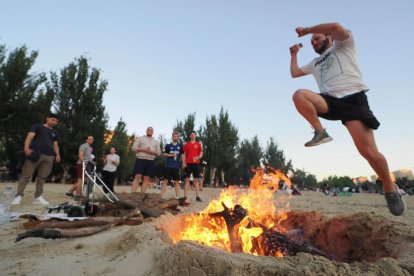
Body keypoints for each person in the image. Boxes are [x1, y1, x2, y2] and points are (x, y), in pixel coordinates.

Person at [289, 22, 405, 216]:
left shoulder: (343, 45)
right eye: (312, 41)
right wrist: (293, 56)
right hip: (330, 101)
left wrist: (307, 30)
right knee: (299, 95)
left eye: (317, 38)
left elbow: (336, 26)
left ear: (329, 37)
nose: (314, 42)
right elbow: (295, 73)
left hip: (353, 100)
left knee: (368, 152)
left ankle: (389, 186)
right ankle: (320, 132)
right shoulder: (314, 63)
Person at [12, 113, 61, 206]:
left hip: (49, 156)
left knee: (42, 177)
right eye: (53, 120)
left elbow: (55, 144)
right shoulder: (37, 126)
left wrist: (57, 154)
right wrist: (26, 148)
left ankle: (38, 196)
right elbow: (29, 137)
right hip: (35, 153)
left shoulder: (55, 132)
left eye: (56, 121)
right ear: (47, 118)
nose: (54, 122)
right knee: (26, 175)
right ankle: (18, 196)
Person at [131, 127, 161, 193]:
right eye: (148, 130)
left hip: (150, 160)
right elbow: (133, 148)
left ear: (153, 132)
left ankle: (142, 195)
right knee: (137, 176)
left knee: (146, 178)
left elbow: (159, 153)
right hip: (140, 159)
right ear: (146, 131)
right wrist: (143, 149)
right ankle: (132, 194)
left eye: (151, 130)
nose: (150, 131)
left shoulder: (156, 141)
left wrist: (152, 152)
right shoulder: (140, 138)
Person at [65, 136, 94, 200]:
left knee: (85, 178)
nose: (91, 140)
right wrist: (83, 163)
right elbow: (80, 155)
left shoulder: (89, 147)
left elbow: (88, 157)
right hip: (81, 164)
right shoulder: (84, 145)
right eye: (90, 139)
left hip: (86, 164)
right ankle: (78, 194)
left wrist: (92, 162)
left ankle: (70, 191)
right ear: (86, 140)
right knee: (81, 178)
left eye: (92, 139)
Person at [182, 131, 203, 202]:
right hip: (188, 163)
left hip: (196, 163)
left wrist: (198, 157)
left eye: (194, 134)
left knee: (196, 180)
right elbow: (184, 154)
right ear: (190, 136)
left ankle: (197, 196)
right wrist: (184, 162)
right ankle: (185, 196)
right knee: (187, 179)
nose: (193, 135)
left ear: (196, 136)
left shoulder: (198, 144)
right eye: (192, 134)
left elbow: (201, 153)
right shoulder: (186, 144)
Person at [161, 131, 183, 199]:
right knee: (165, 181)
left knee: (177, 181)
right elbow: (163, 154)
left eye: (177, 136)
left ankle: (177, 196)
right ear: (172, 137)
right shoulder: (168, 145)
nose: (175, 137)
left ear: (178, 137)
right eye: (174, 136)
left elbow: (183, 155)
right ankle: (161, 196)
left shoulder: (180, 146)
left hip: (176, 166)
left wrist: (184, 163)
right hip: (168, 166)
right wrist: (171, 155)